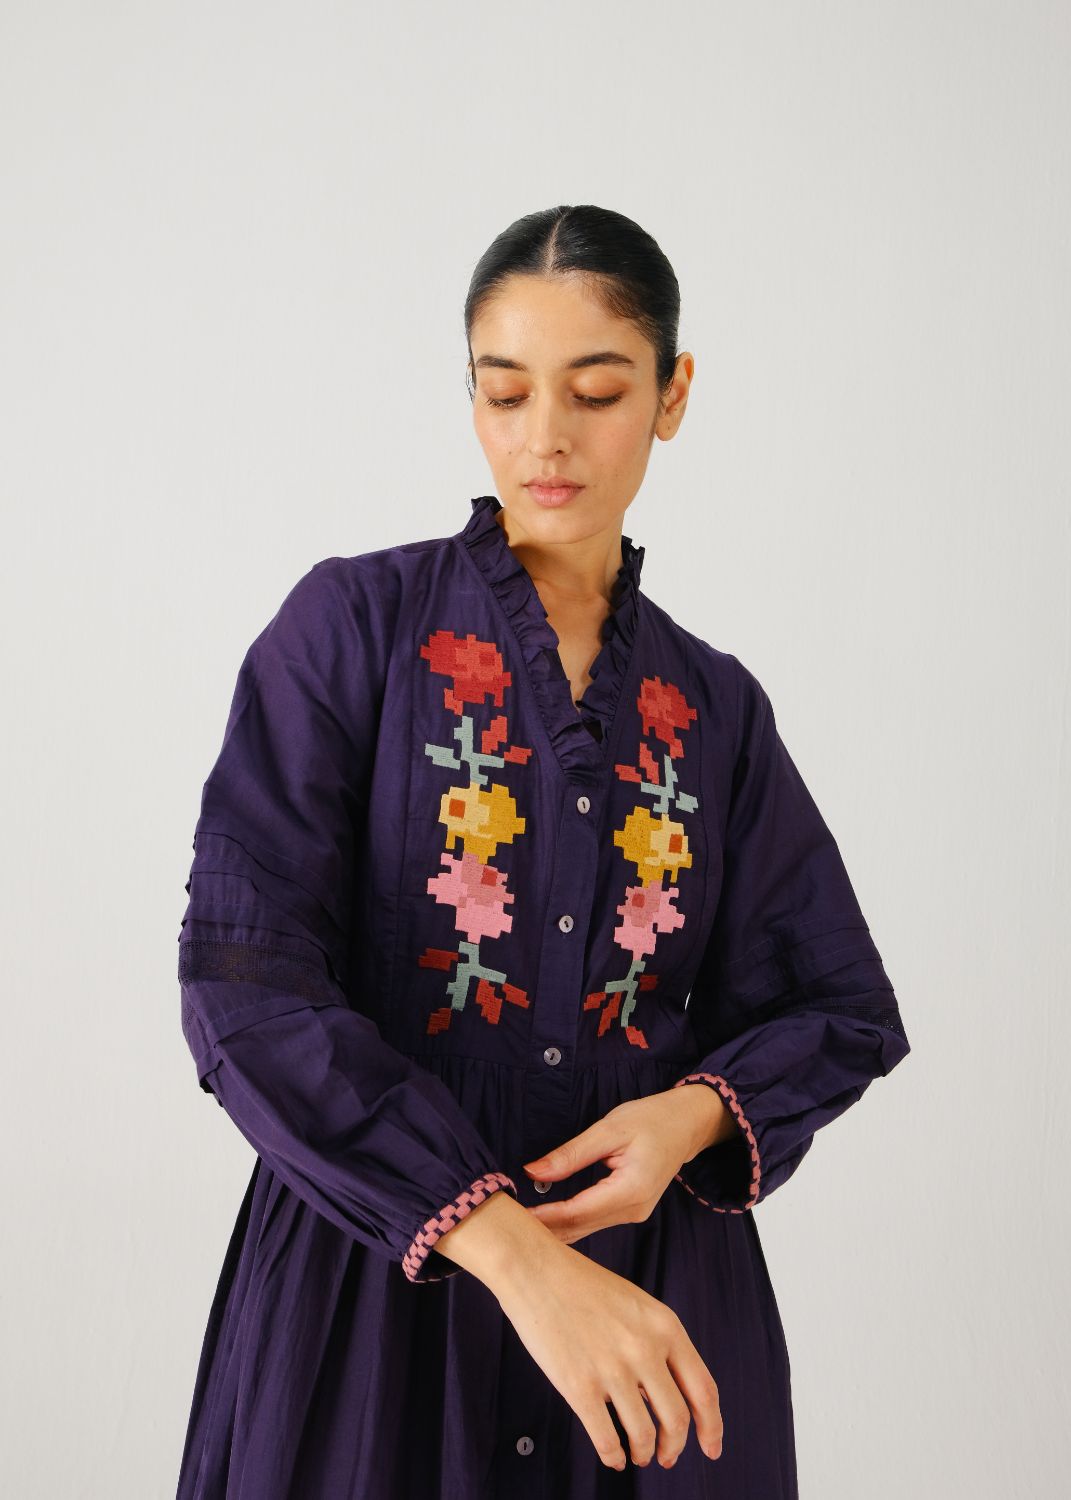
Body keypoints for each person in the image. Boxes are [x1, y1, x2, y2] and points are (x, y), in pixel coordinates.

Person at [175, 204, 911, 1499]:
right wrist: (509, 1251)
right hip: (372, 1302)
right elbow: (247, 988)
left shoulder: (715, 708)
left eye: (598, 390)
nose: (546, 437)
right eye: (505, 392)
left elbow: (838, 1003)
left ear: (673, 395)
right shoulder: (351, 631)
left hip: (652, 1307)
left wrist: (688, 1117)